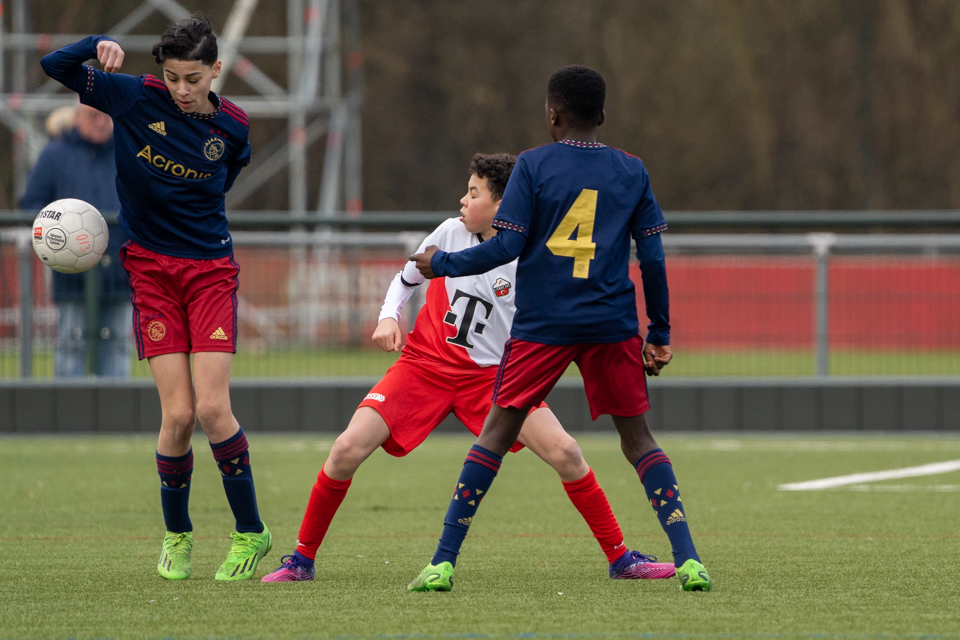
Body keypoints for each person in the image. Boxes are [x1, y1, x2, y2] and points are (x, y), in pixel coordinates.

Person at [261, 153, 675, 583]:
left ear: (504, 205)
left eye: (473, 193)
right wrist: (388, 317)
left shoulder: (535, 252)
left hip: (494, 377)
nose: (462, 200)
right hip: (424, 366)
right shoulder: (450, 231)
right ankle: (301, 560)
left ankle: (621, 559)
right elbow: (406, 278)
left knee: (567, 452)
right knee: (346, 448)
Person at [408, 66, 711, 592]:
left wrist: (443, 264)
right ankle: (688, 560)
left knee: (496, 434)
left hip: (543, 323)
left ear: (552, 115)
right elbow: (653, 258)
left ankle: (442, 563)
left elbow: (506, 247)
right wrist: (659, 331)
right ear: (602, 115)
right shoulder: (632, 169)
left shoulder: (533, 164)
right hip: (611, 321)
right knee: (639, 440)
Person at [40, 14, 271, 581]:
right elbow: (54, 65)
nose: (182, 90)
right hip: (150, 272)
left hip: (210, 271)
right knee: (179, 415)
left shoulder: (234, 126)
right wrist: (96, 44)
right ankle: (177, 535)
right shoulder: (133, 96)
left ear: (215, 70)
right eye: (172, 78)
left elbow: (225, 176)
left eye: (193, 78)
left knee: (213, 409)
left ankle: (251, 533)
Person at [21, 102, 133, 377]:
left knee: (118, 346)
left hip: (121, 273)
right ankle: (70, 405)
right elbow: (31, 204)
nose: (101, 122)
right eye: (94, 115)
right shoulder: (54, 155)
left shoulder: (129, 153)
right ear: (77, 117)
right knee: (71, 346)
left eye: (106, 115)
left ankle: (114, 405)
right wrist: (56, 231)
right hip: (71, 276)